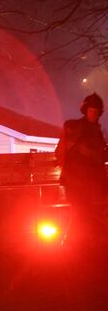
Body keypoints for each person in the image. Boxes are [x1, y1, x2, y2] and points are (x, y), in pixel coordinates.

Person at [55, 92, 107, 248]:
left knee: (86, 214)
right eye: (91, 110)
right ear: (85, 110)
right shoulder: (74, 127)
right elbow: (61, 152)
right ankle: (72, 245)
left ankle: (80, 246)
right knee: (81, 214)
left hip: (90, 183)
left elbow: (99, 159)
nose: (94, 114)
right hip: (77, 182)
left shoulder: (96, 132)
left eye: (96, 111)